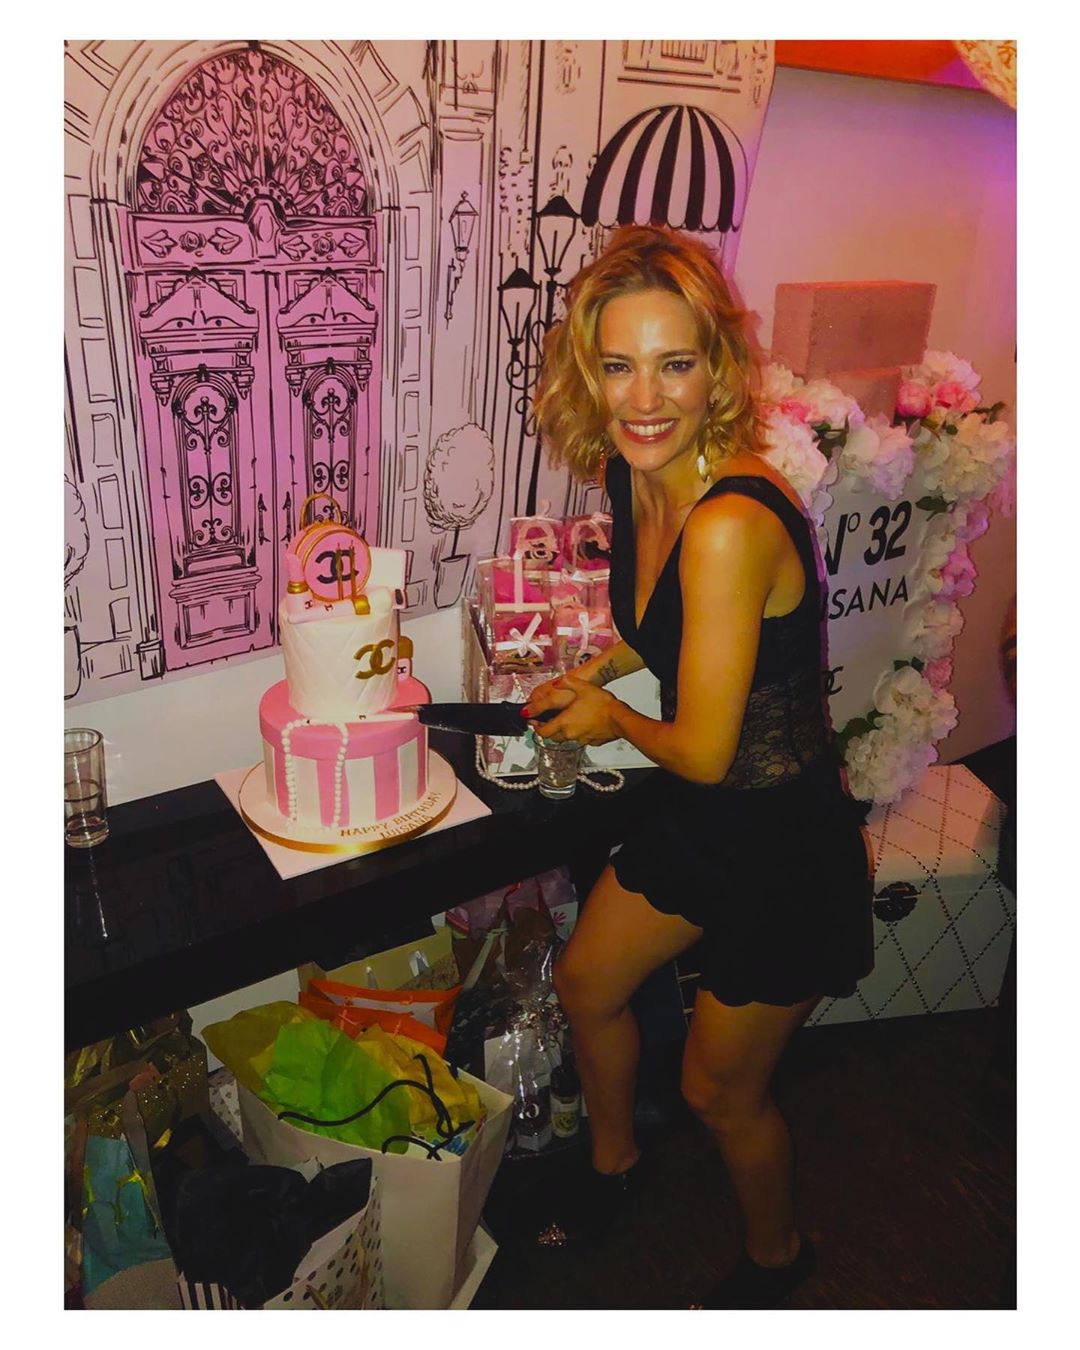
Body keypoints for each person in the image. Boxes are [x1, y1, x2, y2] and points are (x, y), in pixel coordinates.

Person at [526, 226, 875, 1308]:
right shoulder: (638, 471)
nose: (645, 399)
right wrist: (602, 665)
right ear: (587, 373)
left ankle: (780, 1261)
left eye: (673, 363)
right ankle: (615, 1165)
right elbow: (671, 627)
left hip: (783, 842)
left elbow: (708, 749)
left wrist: (607, 719)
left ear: (716, 368)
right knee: (587, 983)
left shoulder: (729, 521)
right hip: (707, 817)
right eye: (618, 366)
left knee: (719, 1092)